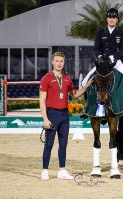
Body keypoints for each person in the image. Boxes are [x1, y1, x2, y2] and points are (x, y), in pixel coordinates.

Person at [40, 52, 93, 180]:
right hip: (51, 114)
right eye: (57, 61)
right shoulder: (46, 78)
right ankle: (45, 171)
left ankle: (62, 170)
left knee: (63, 144)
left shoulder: (67, 78)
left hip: (64, 115)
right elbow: (42, 101)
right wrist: (45, 119)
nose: (59, 63)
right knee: (49, 144)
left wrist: (85, 87)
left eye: (61, 61)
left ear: (64, 63)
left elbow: (74, 95)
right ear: (52, 62)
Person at [81, 8, 123, 121]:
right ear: (107, 19)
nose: (111, 19)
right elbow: (96, 48)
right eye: (110, 17)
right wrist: (99, 57)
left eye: (114, 17)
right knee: (84, 82)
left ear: (117, 19)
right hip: (102, 63)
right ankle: (86, 109)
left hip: (116, 62)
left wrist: (114, 57)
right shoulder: (101, 32)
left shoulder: (121, 32)